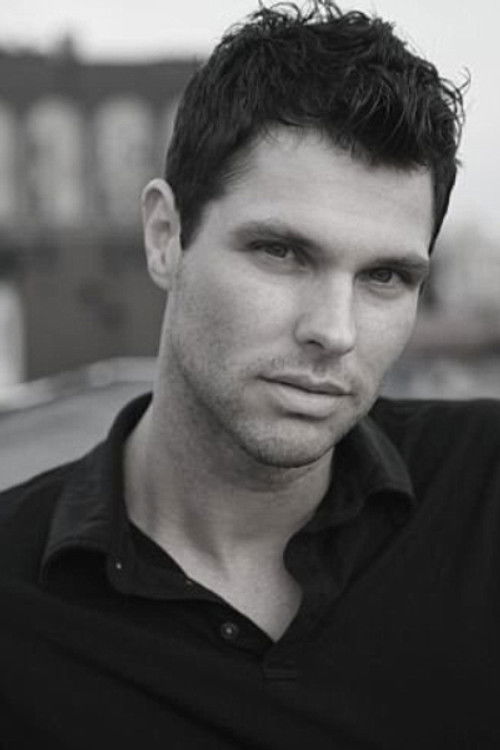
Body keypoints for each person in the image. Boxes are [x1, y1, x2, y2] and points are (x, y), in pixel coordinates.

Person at [1, 2, 498, 748]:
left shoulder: (484, 489)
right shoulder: (16, 606)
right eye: (281, 252)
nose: (334, 330)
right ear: (166, 237)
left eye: (386, 276)